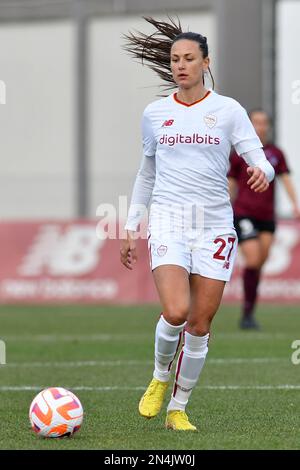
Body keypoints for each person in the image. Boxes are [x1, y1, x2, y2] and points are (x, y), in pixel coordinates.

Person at [120, 17, 274, 431]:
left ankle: (178, 409)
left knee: (200, 324)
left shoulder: (228, 111)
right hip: (170, 220)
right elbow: (146, 173)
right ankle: (158, 378)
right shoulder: (155, 113)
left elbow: (259, 157)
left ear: (206, 62)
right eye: (175, 59)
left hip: (214, 227)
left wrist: (264, 172)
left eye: (189, 58)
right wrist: (133, 225)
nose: (181, 65)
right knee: (176, 311)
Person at [228, 109, 300, 330]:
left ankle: (249, 312)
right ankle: (247, 314)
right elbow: (231, 183)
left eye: (263, 122)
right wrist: (225, 208)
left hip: (267, 216)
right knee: (252, 260)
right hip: (244, 213)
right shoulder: (239, 153)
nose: (260, 126)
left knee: (258, 264)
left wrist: (295, 204)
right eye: (256, 122)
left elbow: (285, 178)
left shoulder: (275, 153)